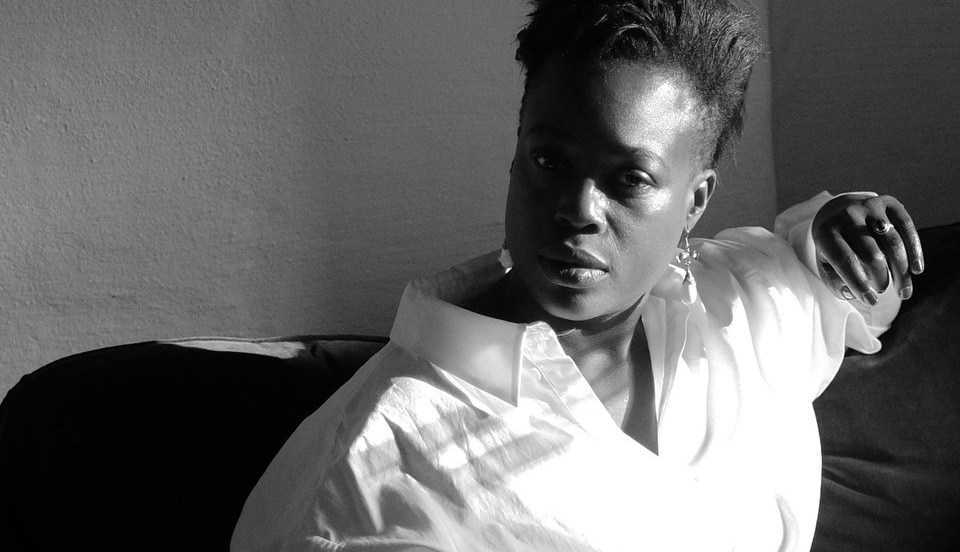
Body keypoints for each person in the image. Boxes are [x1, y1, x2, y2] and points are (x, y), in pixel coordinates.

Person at [231, 1, 924, 550]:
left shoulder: (733, 303)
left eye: (629, 179)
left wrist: (850, 230)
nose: (577, 210)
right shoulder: (374, 465)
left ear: (695, 202)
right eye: (550, 162)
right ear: (517, 152)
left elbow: (859, 303)